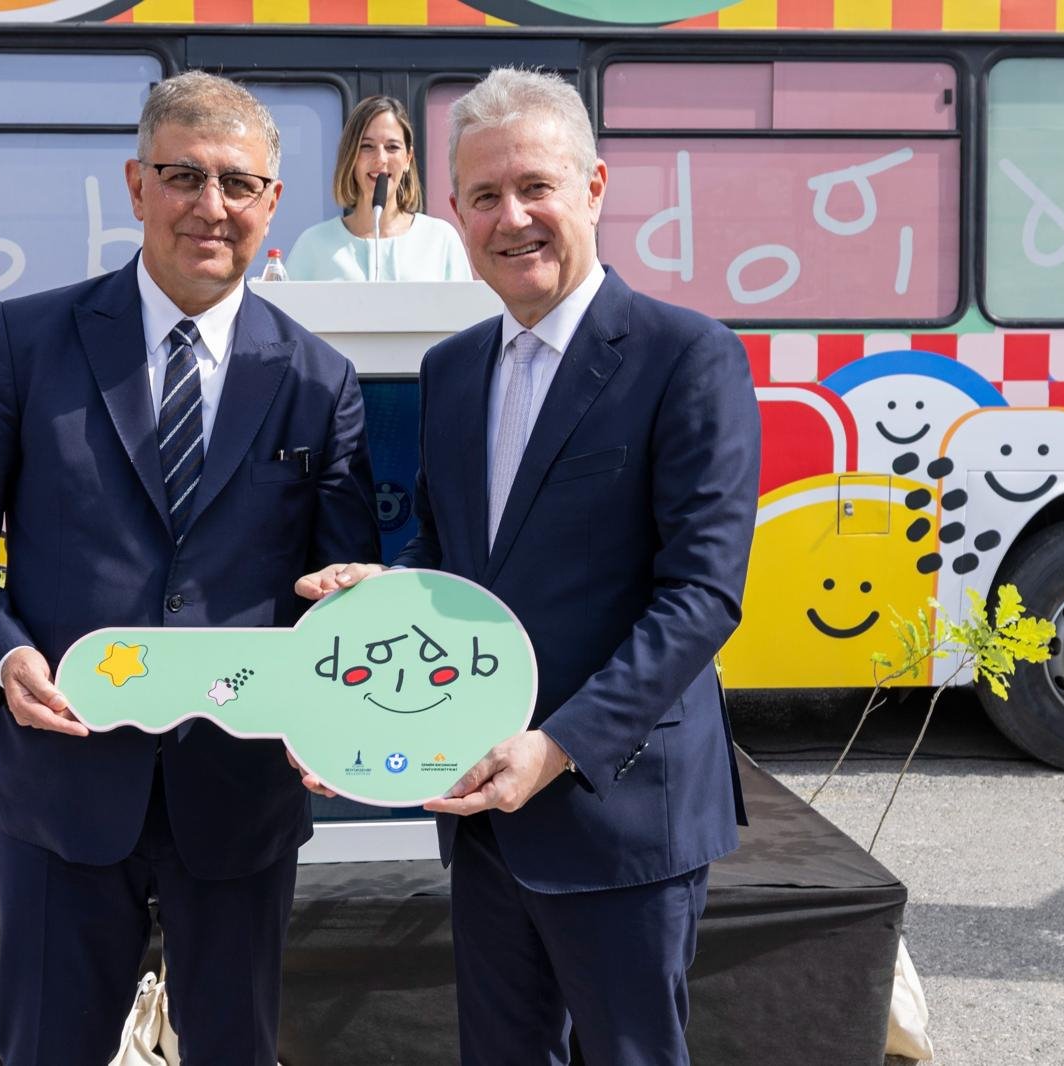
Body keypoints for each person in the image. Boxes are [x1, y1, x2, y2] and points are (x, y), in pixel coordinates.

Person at [0, 71, 380, 1066]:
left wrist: (341, 685)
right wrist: (2, 656)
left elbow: (337, 581)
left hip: (238, 792)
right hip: (62, 782)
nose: (212, 206)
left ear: (272, 202)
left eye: (239, 183)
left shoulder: (318, 380)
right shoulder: (31, 341)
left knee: (234, 1048)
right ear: (136, 185)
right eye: (184, 176)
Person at [294, 68, 759, 1066]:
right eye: (485, 195)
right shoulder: (452, 367)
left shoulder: (687, 356)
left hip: (619, 809)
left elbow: (702, 595)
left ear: (593, 187)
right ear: (456, 213)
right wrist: (386, 600)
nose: (512, 218)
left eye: (535, 186)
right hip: (482, 809)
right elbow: (444, 554)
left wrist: (557, 747)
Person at [284, 95, 470, 282]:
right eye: (367, 146)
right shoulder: (313, 245)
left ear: (408, 158)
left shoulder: (440, 239)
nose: (380, 159)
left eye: (392, 147)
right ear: (351, 156)